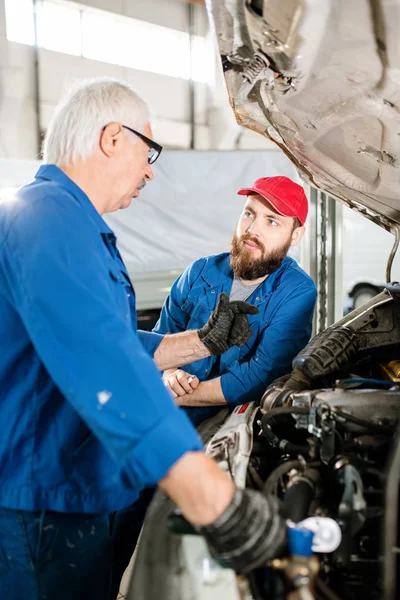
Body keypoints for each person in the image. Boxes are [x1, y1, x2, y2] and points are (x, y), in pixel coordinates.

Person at [0, 78, 287, 600]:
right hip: (40, 502)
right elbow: (106, 366)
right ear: (112, 138)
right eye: (148, 149)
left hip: (66, 491)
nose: (151, 168)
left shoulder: (66, 222)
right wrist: (216, 502)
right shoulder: (49, 219)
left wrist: (203, 341)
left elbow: (118, 341)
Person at [157, 176, 317, 425]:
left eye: (272, 221)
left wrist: (175, 397)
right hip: (165, 415)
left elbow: (261, 374)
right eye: (249, 214)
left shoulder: (297, 292)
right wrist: (168, 374)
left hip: (232, 422)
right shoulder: (198, 272)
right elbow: (159, 341)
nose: (252, 230)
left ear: (296, 235)